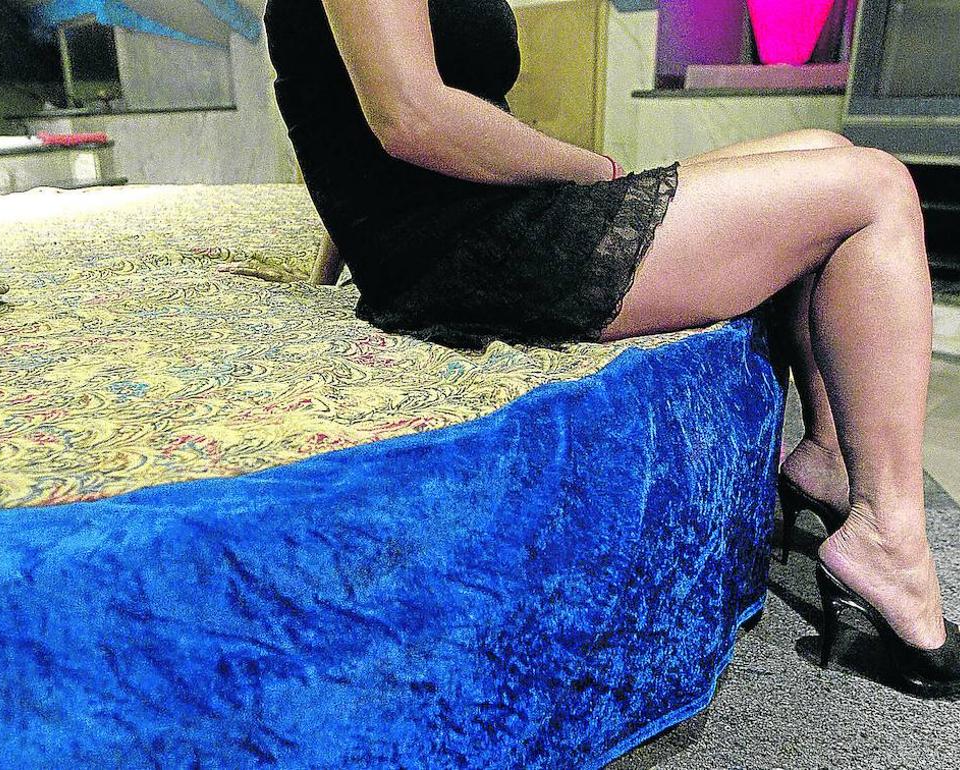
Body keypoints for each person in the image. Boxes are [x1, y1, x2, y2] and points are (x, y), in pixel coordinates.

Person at [261, 0, 959, 697]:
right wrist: (591, 168)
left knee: (829, 150)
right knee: (877, 188)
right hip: (471, 250)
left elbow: (340, 103)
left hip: (491, 214)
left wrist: (340, 255)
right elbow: (411, 117)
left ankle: (829, 460)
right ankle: (887, 541)